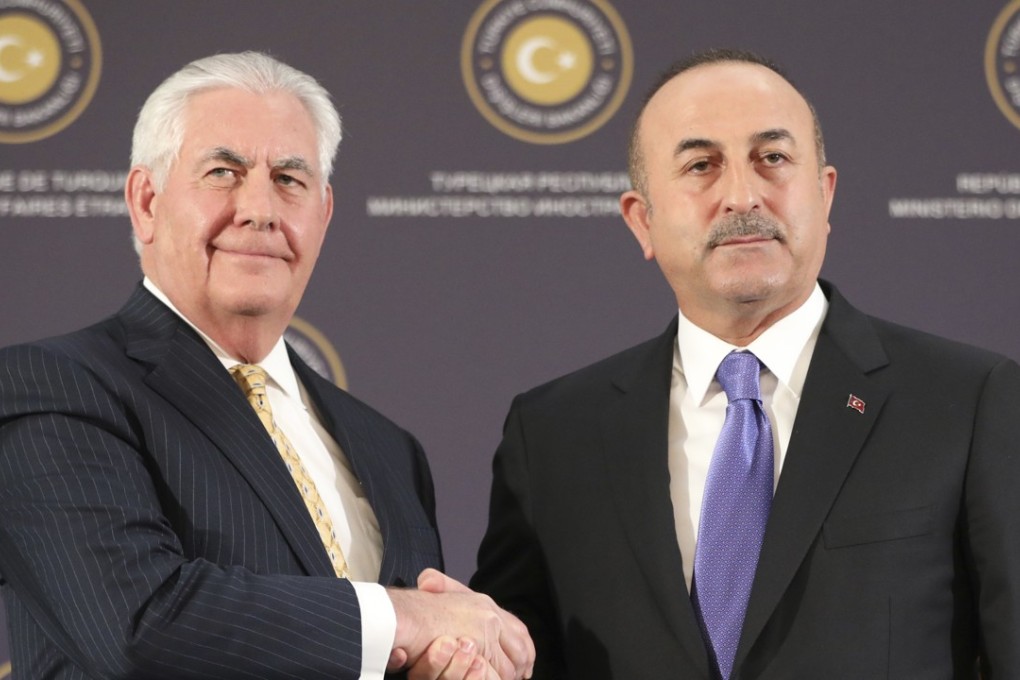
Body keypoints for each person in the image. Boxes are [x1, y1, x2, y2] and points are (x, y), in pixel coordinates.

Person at [470, 48, 1020, 679]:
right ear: (641, 221)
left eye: (773, 158)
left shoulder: (967, 401)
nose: (741, 194)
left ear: (825, 193)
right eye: (701, 165)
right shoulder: (552, 436)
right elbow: (511, 660)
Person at [0, 51, 532, 680]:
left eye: (289, 178)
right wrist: (409, 617)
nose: (260, 208)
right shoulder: (48, 387)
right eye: (224, 172)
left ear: (323, 214)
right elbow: (136, 627)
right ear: (146, 202)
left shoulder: (389, 449)